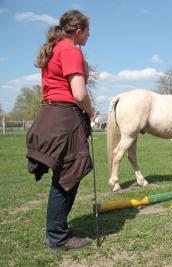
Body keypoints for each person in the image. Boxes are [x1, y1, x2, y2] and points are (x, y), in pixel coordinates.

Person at [26, 10, 94, 251]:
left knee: (65, 175)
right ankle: (57, 237)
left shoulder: (55, 48)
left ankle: (56, 231)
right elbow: (79, 93)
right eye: (87, 32)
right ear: (78, 31)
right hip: (65, 116)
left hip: (51, 114)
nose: (89, 36)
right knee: (67, 176)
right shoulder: (70, 49)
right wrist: (91, 110)